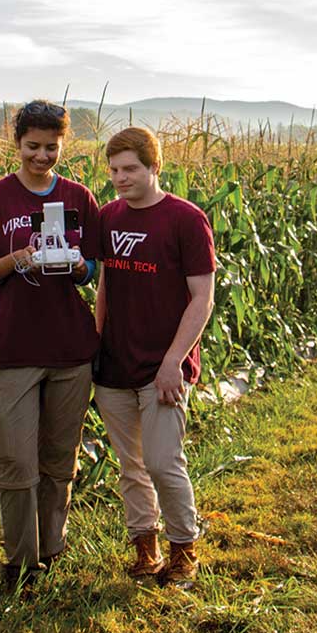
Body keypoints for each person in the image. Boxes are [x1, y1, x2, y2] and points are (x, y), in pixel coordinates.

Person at [0, 100, 100, 589]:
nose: (42, 156)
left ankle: (52, 549)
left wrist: (77, 266)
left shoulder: (80, 197)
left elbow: (94, 268)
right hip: (15, 349)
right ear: (17, 142)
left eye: (51, 147)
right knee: (17, 462)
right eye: (33, 146)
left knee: (58, 460)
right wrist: (16, 259)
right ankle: (20, 563)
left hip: (70, 349)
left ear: (62, 144)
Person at [93, 126, 215, 587]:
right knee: (131, 466)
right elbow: (106, 286)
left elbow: (201, 297)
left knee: (164, 462)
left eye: (130, 169)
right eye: (113, 170)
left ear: (154, 167)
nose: (120, 178)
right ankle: (145, 549)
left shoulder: (184, 219)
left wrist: (174, 361)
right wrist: (96, 342)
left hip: (162, 366)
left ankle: (184, 551)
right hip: (114, 365)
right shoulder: (108, 217)